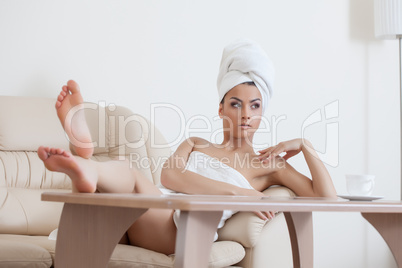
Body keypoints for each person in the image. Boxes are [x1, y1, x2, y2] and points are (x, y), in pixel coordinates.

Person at [38, 39, 337, 256]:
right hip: (152, 210)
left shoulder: (268, 164)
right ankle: (86, 163)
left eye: (255, 106)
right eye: (235, 104)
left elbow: (327, 197)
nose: (246, 114)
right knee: (102, 193)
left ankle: (86, 162)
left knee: (128, 172)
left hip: (180, 230)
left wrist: (305, 145)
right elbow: (170, 178)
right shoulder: (196, 143)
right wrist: (240, 192)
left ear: (262, 112)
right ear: (220, 109)